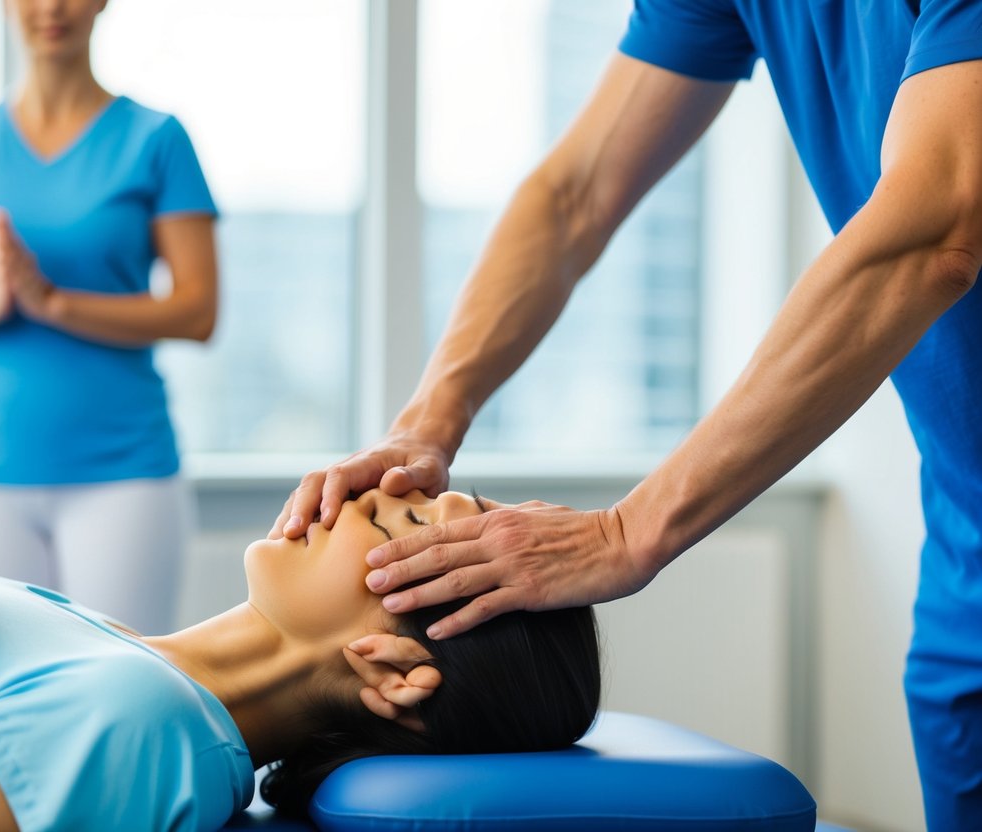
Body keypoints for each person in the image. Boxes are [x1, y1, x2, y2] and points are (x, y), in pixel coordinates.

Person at [273, 2, 982, 827]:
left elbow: (933, 228)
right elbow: (572, 196)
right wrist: (424, 424)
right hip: (962, 540)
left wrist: (629, 531)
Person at [0, 489, 600, 831]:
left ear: (389, 672)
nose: (358, 495)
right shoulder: (110, 646)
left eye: (395, 530)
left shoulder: (146, 724)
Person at [0, 0, 217, 635]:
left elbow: (197, 310)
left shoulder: (157, 139)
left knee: (127, 684)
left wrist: (54, 303)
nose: (51, 8)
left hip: (125, 472)